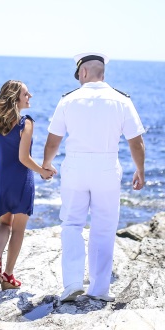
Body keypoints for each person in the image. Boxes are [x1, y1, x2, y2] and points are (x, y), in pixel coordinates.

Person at [42, 53, 146, 303]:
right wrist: (140, 170)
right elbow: (136, 141)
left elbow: (54, 139)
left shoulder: (68, 100)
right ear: (102, 72)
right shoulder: (122, 100)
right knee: (104, 228)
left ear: (84, 72)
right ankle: (99, 289)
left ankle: (72, 284)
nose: (78, 78)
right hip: (107, 168)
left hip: (75, 167)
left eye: (78, 74)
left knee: (72, 224)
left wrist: (46, 163)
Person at [0, 80, 54, 290]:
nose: (30, 96)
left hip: (0, 179)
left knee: (5, 223)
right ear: (15, 98)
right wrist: (43, 171)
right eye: (26, 93)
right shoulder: (26, 123)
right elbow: (24, 158)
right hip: (21, 181)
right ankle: (8, 276)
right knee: (19, 229)